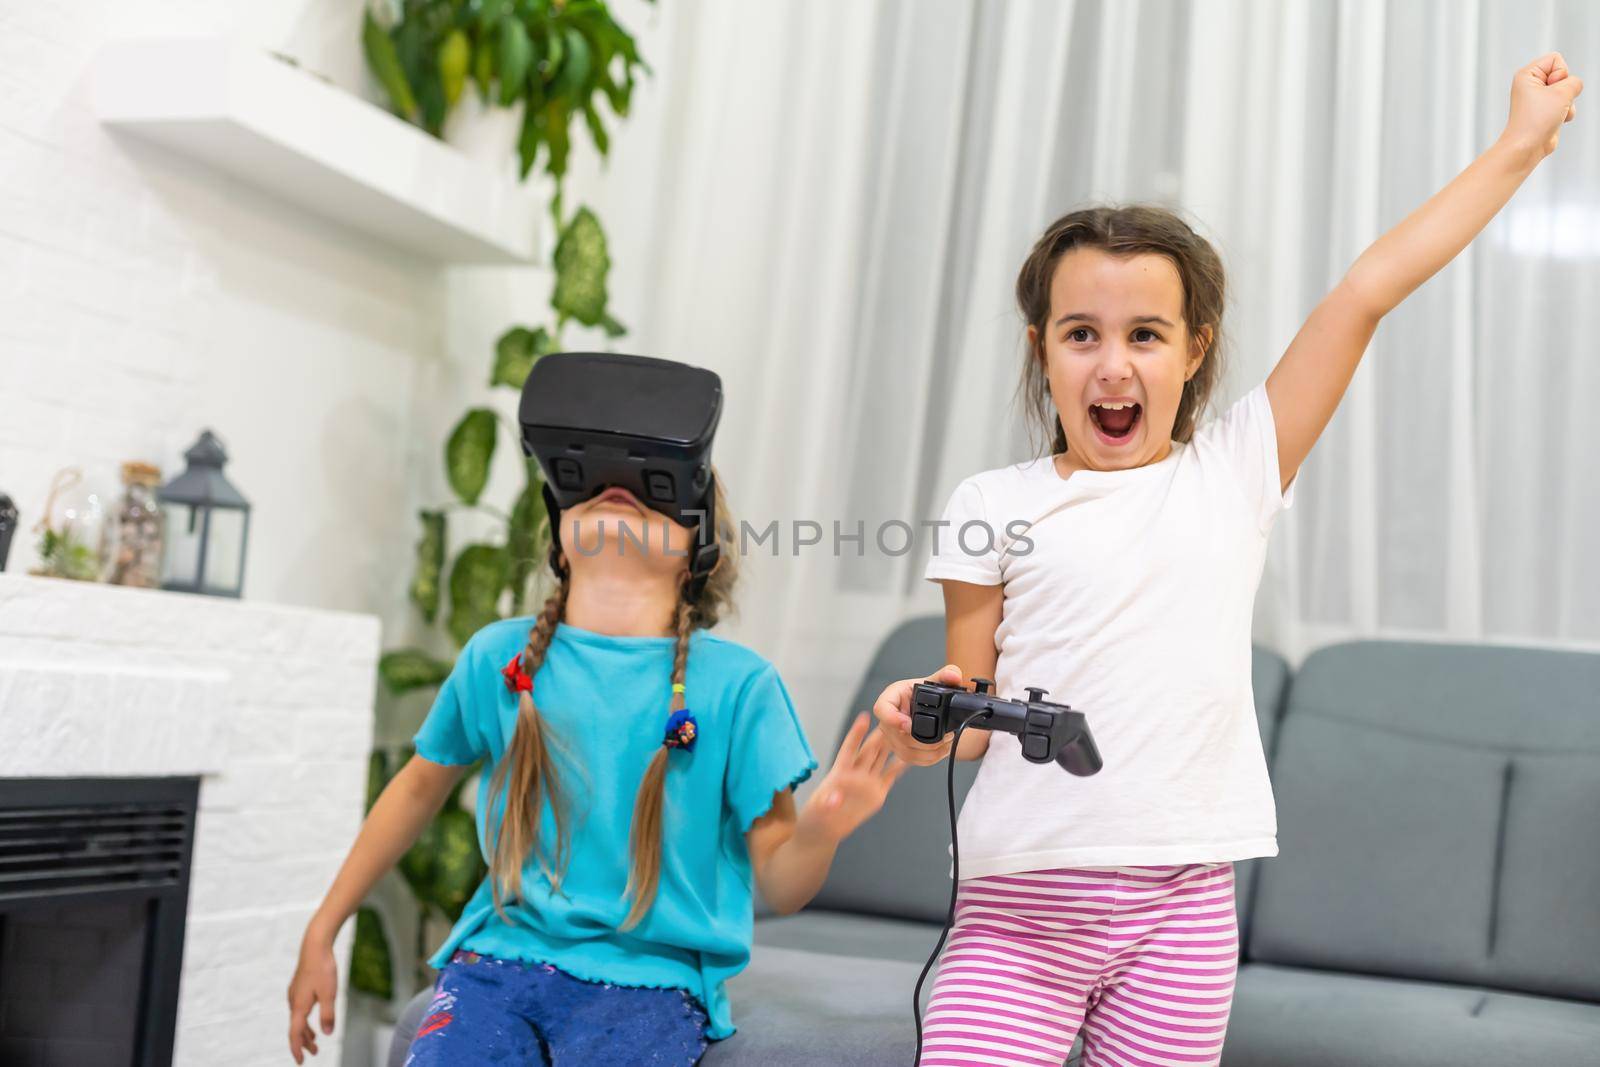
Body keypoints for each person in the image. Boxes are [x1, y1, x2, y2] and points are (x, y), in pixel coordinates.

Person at [876, 54, 1583, 1067]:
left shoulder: (1235, 469)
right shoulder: (990, 504)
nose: (1112, 364)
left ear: (1195, 347)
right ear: (1042, 350)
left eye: (1145, 334)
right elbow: (973, 718)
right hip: (1017, 908)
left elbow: (1364, 292)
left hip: (1181, 910)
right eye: (1081, 334)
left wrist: (1517, 147)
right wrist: (924, 728)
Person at [288, 478, 922, 1065]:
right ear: (558, 535)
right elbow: (418, 788)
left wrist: (823, 828)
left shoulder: (741, 686)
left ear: (698, 553)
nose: (618, 490)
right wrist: (323, 930)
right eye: (591, 485)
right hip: (495, 964)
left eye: (653, 491)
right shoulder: (496, 657)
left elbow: (783, 887)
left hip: (654, 986)